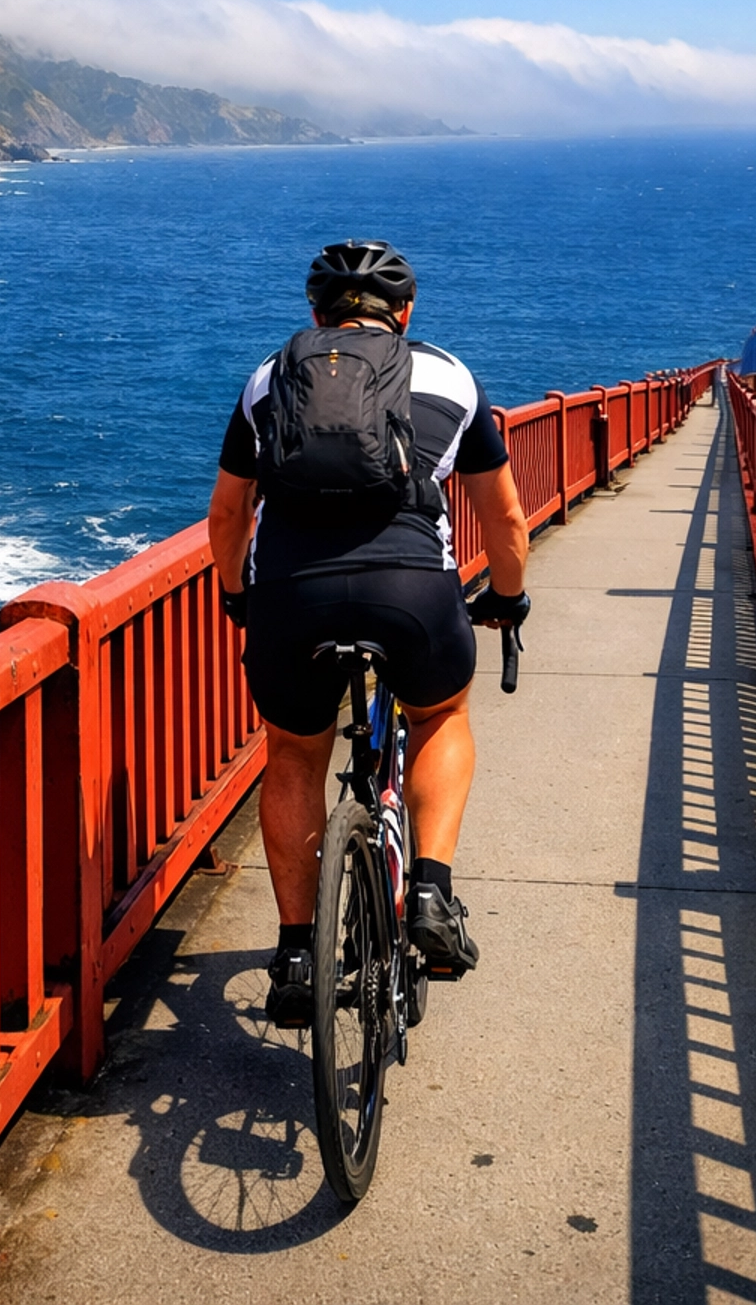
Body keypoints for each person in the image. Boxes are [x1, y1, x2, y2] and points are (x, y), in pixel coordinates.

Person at [207, 240, 531, 1028]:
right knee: (440, 716)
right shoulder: (452, 377)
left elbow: (226, 515)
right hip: (411, 594)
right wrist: (509, 601)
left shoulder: (269, 378)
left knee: (292, 754)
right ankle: (429, 891)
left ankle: (292, 952)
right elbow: (507, 518)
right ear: (407, 315)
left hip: (290, 597)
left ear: (315, 316)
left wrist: (238, 599)